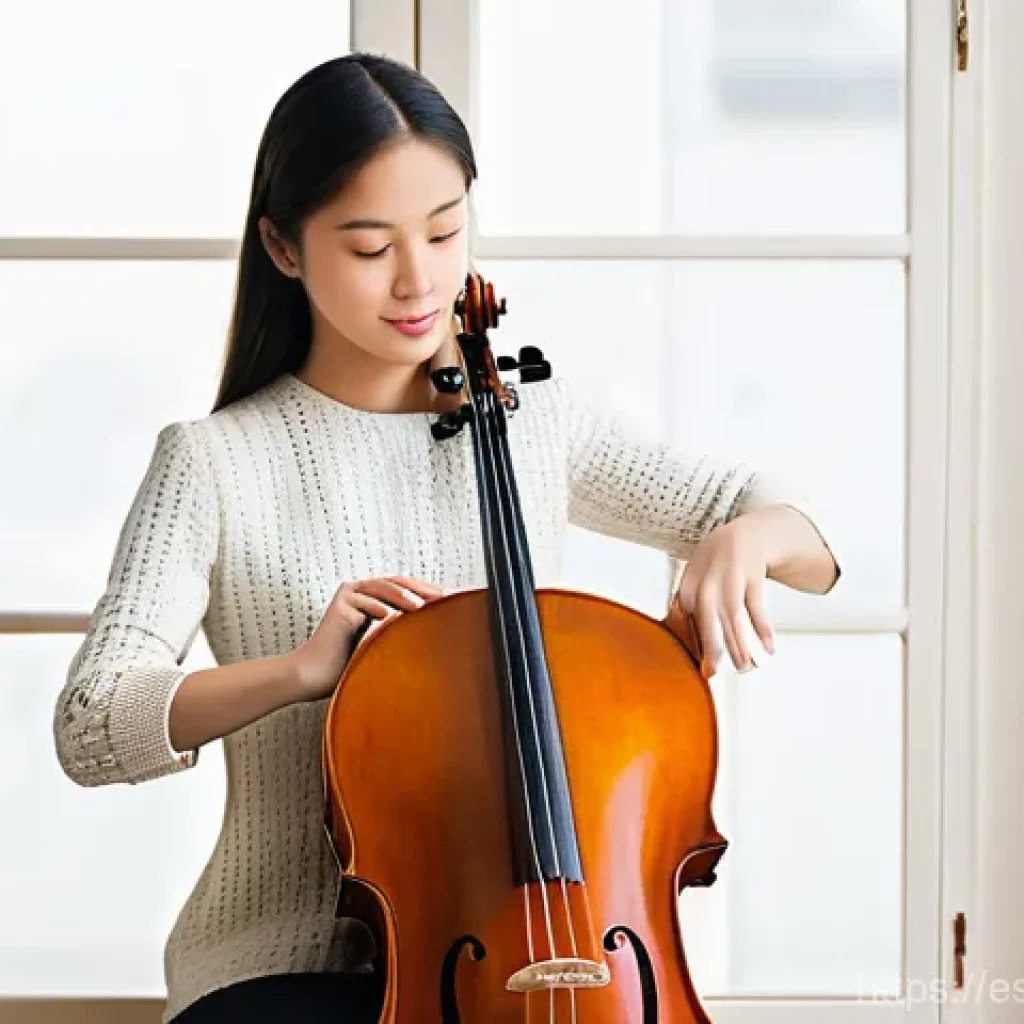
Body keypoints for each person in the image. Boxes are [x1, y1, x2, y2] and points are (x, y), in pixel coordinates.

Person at [52, 53, 841, 1023]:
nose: (419, 280)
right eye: (369, 248)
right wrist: (301, 672)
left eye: (444, 230)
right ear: (284, 248)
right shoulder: (215, 463)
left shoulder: (534, 422)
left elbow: (805, 539)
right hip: (284, 977)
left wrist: (745, 538)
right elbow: (91, 724)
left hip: (529, 956)